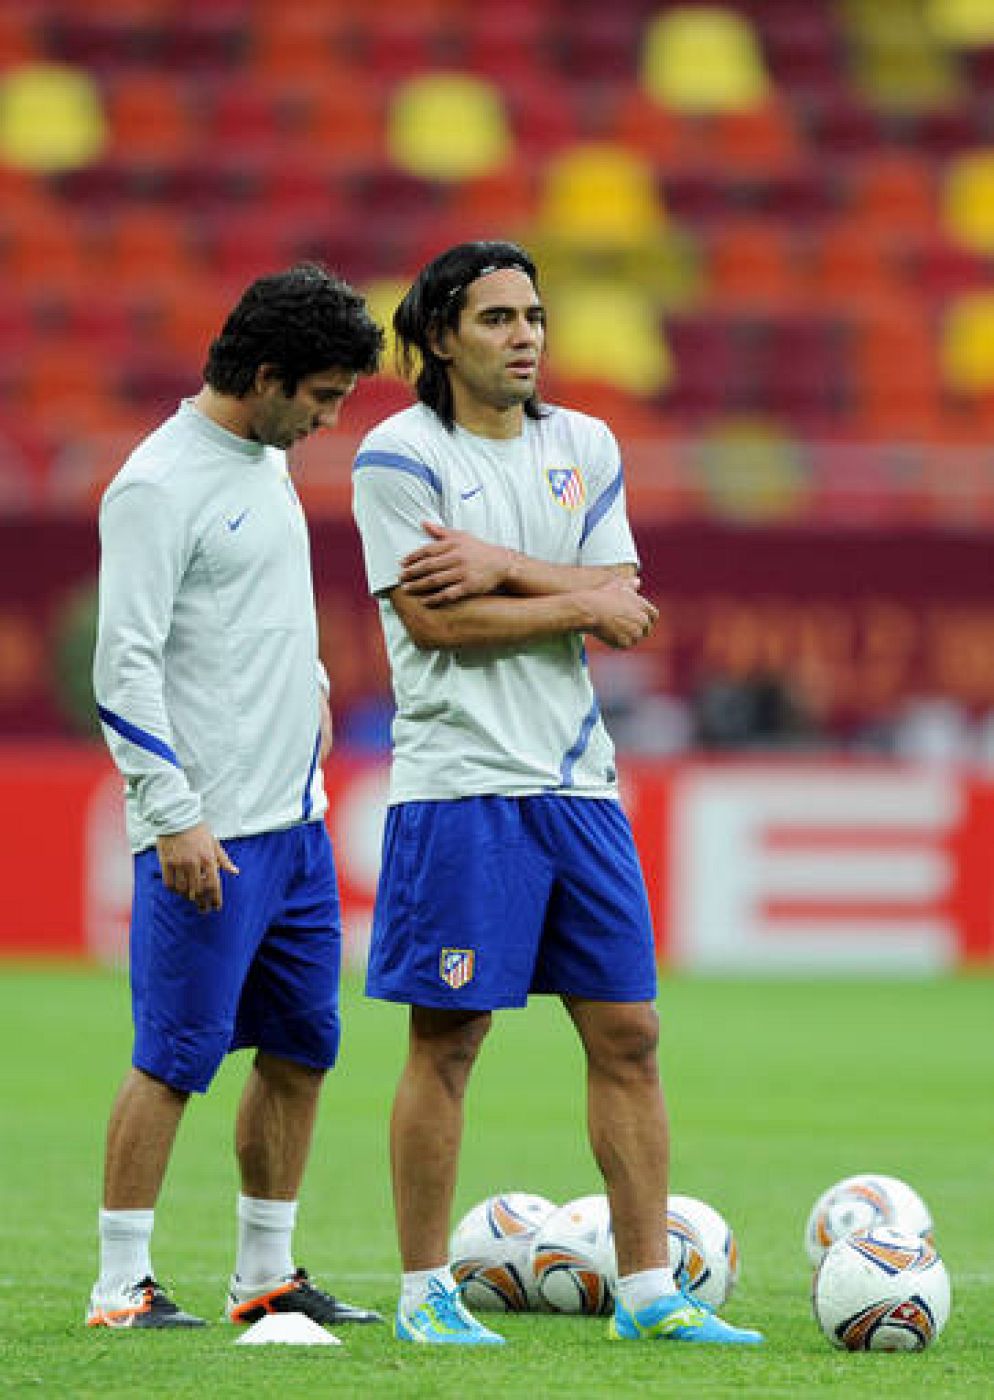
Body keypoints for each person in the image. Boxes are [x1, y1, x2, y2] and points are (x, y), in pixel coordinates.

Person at [351, 240, 764, 1347]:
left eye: (534, 316)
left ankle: (648, 1292)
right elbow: (434, 620)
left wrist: (503, 565)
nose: (525, 335)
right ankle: (424, 1292)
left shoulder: (585, 443)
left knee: (629, 1032)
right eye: (497, 319)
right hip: (461, 785)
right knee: (448, 1038)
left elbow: (625, 597)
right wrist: (571, 594)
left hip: (579, 784)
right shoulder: (399, 454)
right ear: (441, 337)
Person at [88, 264, 385, 1330]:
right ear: (265, 375)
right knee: (174, 1057)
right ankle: (120, 1285)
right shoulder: (157, 485)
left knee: (301, 1050)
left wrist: (312, 691)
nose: (329, 418)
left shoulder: (264, 461)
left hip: (296, 826)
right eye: (322, 396)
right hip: (208, 829)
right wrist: (171, 811)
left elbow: (254, 617)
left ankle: (265, 1272)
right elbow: (123, 665)